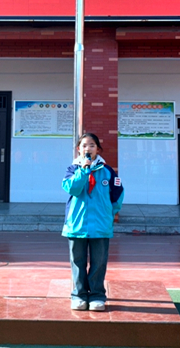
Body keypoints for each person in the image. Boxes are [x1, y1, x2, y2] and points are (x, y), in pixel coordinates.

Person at [62, 132, 124, 312]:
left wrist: (108, 214)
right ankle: (79, 296)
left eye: (92, 145)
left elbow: (118, 194)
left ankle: (97, 295)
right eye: (84, 145)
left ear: (98, 149)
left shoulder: (108, 171)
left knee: (99, 262)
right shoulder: (72, 169)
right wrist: (83, 170)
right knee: (77, 262)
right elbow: (73, 189)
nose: (88, 149)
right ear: (78, 149)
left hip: (100, 225)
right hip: (77, 224)